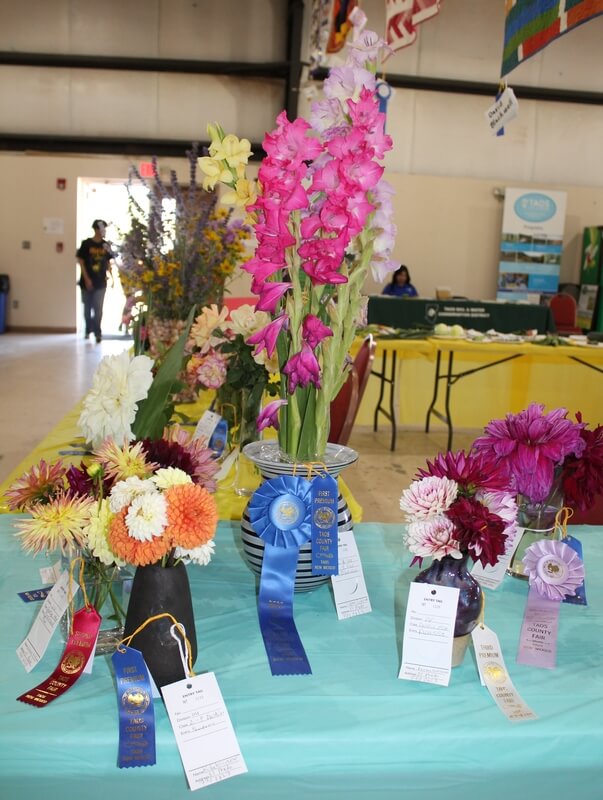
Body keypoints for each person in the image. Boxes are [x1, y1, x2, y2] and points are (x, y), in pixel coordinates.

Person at [76, 219, 115, 342]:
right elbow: (81, 261)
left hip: (101, 282)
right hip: (86, 282)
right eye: (101, 229)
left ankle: (98, 332)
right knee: (87, 308)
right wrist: (86, 278)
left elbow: (109, 262)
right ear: (96, 229)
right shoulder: (86, 244)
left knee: (98, 308)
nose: (103, 231)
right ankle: (88, 331)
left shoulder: (106, 245)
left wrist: (112, 277)